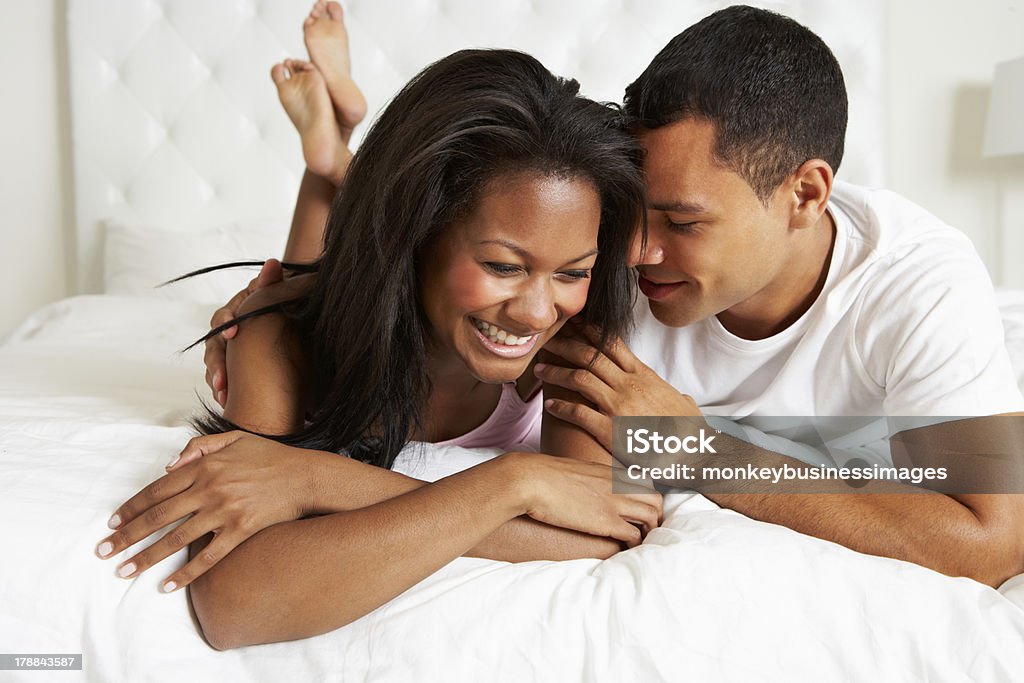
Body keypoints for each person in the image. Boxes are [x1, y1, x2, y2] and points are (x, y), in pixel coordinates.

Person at [206, 4, 1024, 588]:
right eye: (634, 211)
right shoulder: (591, 268)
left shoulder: (920, 288)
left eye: (680, 220)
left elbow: (993, 544)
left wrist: (696, 447)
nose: (628, 256)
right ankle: (331, 163)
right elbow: (469, 218)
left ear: (806, 195)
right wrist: (292, 305)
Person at [93, 2, 661, 649]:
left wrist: (313, 478)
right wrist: (512, 486)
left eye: (571, 271)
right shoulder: (276, 333)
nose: (537, 311)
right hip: (341, 306)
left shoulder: (574, 347)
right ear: (417, 238)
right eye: (504, 265)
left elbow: (608, 531)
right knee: (310, 282)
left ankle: (334, 155)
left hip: (377, 291)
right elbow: (233, 606)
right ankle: (329, 159)